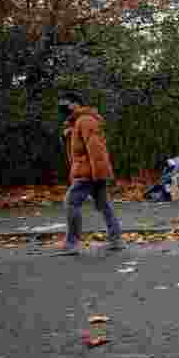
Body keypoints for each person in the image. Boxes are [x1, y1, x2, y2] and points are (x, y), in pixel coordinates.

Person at [57, 91, 123, 254]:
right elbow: (79, 147)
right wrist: (69, 134)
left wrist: (99, 175)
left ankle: (71, 244)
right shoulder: (78, 122)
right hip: (90, 171)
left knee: (71, 202)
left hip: (88, 172)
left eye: (65, 103)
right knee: (103, 205)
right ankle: (116, 240)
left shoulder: (85, 120)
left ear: (75, 104)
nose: (62, 106)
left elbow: (96, 149)